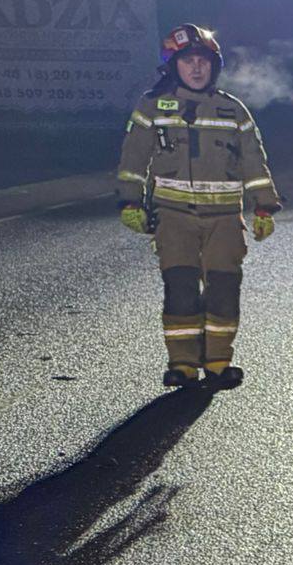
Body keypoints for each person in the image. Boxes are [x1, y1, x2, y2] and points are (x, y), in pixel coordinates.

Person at [115, 24, 281, 389]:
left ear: (213, 66)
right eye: (187, 60)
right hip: (173, 217)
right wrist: (130, 201)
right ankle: (183, 366)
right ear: (173, 66)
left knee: (224, 288)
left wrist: (265, 206)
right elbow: (133, 157)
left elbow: (255, 162)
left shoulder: (232, 110)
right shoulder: (152, 107)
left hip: (224, 219)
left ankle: (219, 364)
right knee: (180, 287)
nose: (196, 68)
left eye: (203, 61)